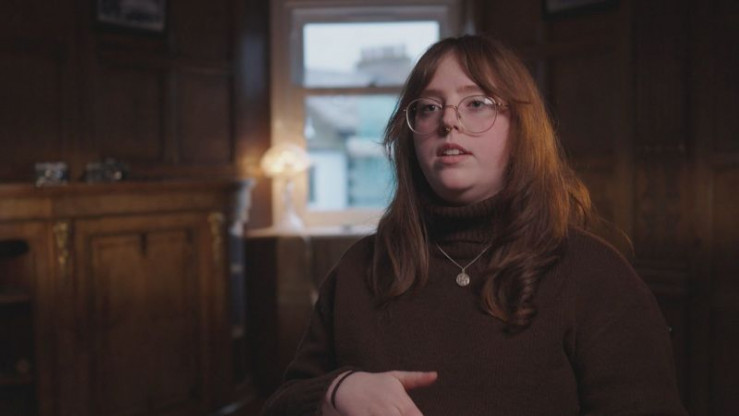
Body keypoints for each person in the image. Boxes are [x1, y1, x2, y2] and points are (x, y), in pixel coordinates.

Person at [260, 35, 687, 416]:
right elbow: (282, 402)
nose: (448, 121)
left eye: (477, 103)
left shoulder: (594, 273)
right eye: (429, 107)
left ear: (521, 130)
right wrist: (335, 390)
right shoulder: (359, 269)